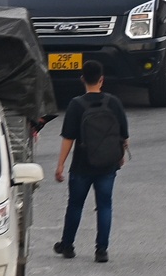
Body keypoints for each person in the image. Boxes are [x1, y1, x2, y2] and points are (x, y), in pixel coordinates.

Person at [53, 60, 129, 263]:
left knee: (75, 205)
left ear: (82, 79)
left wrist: (60, 164)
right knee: (105, 205)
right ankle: (101, 250)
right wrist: (119, 156)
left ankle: (67, 246)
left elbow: (68, 138)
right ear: (102, 80)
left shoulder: (76, 105)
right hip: (107, 165)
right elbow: (124, 135)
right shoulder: (114, 102)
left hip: (82, 165)